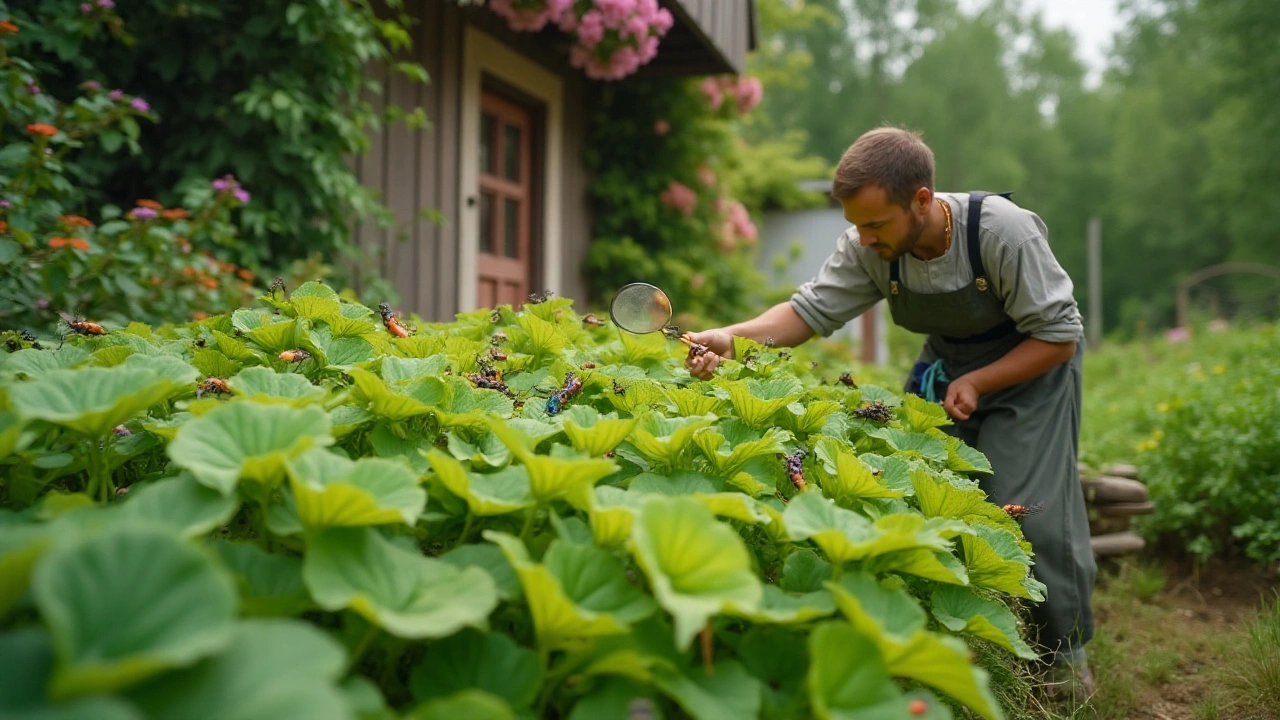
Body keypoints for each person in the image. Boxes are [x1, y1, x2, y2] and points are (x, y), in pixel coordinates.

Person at [684, 126, 1097, 701]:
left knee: (1032, 510)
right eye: (855, 223)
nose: (863, 237)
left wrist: (979, 380)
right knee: (918, 493)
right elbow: (809, 312)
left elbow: (1060, 336)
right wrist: (731, 338)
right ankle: (964, 650)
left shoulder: (1003, 233)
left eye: (875, 224)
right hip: (947, 370)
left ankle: (1065, 658)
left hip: (1033, 372)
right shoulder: (869, 247)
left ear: (923, 201)